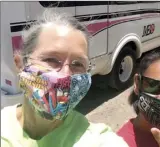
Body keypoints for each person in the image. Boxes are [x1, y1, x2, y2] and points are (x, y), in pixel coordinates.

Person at [1, 10, 128, 147]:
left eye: (78, 64)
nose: (66, 75)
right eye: (51, 59)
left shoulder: (96, 139)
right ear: (20, 64)